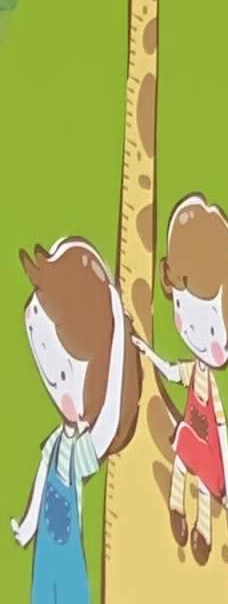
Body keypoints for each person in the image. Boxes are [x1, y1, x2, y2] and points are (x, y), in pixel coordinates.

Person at [148, 198, 228, 564]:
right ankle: (176, 508)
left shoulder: (210, 385)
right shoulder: (194, 370)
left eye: (209, 326)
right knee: (181, 466)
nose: (191, 330)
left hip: (208, 443)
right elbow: (172, 371)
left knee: (206, 487)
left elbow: (222, 431)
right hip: (192, 435)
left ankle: (203, 533)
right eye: (181, 308)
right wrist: (147, 353)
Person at [14, 240, 124, 604]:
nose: (60, 392)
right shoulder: (55, 443)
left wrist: (118, 328)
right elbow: (41, 478)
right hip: (46, 554)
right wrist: (29, 525)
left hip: (68, 558)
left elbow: (109, 418)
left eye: (66, 375)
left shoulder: (81, 450)